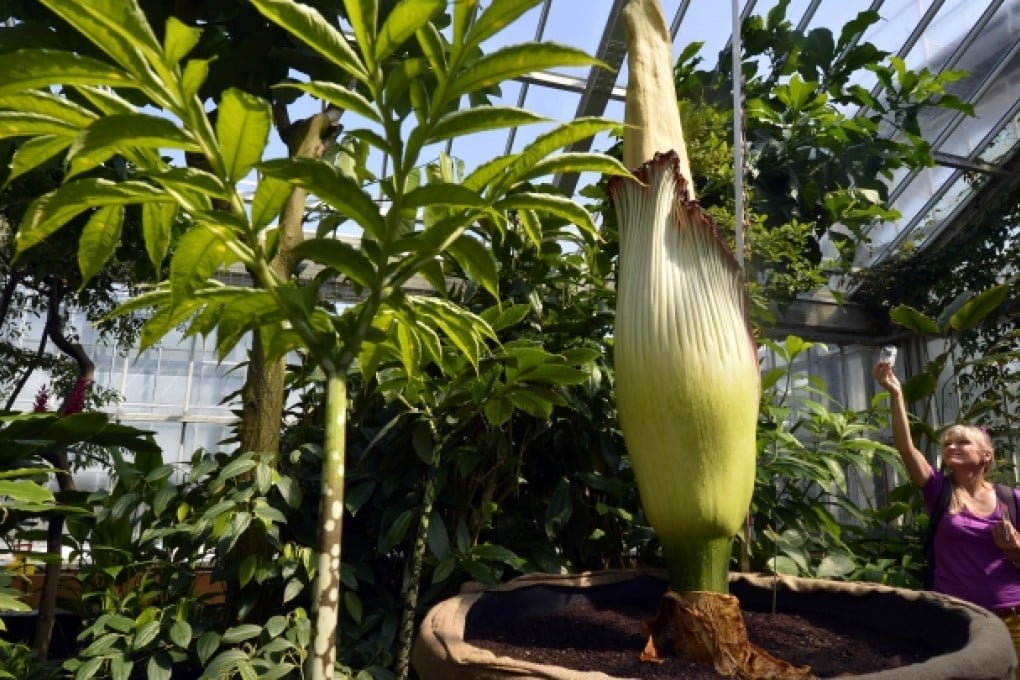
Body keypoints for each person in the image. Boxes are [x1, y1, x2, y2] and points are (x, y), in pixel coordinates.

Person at [874, 358, 1020, 674]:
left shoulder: (1011, 500)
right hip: (958, 619)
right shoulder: (938, 490)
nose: (951, 446)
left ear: (986, 456)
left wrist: (1015, 551)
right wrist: (896, 394)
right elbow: (904, 446)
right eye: (947, 443)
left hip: (1012, 616)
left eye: (962, 441)